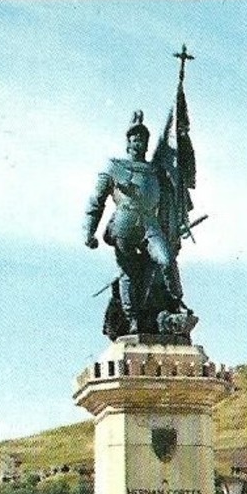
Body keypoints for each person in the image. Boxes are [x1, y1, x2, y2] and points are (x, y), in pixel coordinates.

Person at [84, 111, 192, 339]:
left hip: (149, 224)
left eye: (142, 138)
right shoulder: (114, 167)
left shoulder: (155, 171)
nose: (138, 142)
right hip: (124, 223)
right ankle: (132, 319)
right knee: (127, 273)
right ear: (128, 142)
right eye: (134, 138)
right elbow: (97, 201)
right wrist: (89, 231)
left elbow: (170, 195)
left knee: (166, 259)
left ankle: (177, 300)